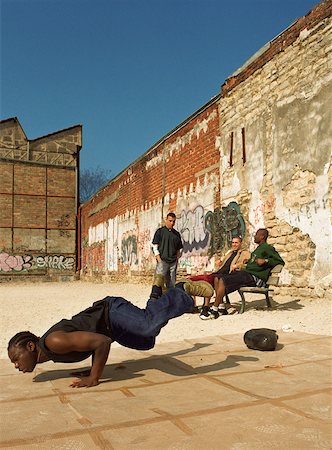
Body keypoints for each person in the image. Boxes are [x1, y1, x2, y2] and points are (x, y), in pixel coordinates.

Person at [7, 278, 209, 388]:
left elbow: (102, 342)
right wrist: (91, 368)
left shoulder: (53, 341)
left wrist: (94, 377)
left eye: (16, 359)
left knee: (147, 325)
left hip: (111, 312)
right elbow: (91, 340)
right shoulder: (49, 352)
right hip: (111, 327)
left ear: (30, 346)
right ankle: (156, 292)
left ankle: (181, 290)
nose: (17, 366)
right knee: (147, 341)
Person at [206, 228, 285, 319]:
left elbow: (280, 261)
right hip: (247, 274)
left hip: (255, 278)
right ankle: (221, 307)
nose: (254, 237)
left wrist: (266, 260)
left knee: (223, 280)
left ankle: (214, 309)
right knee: (217, 278)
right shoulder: (258, 249)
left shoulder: (268, 248)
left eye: (257, 235)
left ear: (262, 237)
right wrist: (249, 261)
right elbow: (255, 261)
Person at [188, 236, 250, 320]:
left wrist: (237, 265)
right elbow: (223, 262)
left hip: (230, 274)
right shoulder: (230, 253)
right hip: (220, 272)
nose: (234, 244)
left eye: (236, 243)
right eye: (233, 242)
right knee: (200, 278)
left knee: (214, 279)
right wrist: (220, 263)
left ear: (240, 243)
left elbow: (245, 263)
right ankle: (220, 306)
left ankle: (211, 307)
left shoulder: (244, 253)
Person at [151, 212, 183, 290]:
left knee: (171, 283)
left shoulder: (176, 234)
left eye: (173, 221)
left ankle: (170, 299)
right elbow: (154, 246)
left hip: (173, 262)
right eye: (170, 221)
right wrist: (159, 259)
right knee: (158, 282)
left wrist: (176, 259)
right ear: (166, 220)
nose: (172, 223)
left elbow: (179, 248)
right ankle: (156, 299)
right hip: (162, 261)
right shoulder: (160, 231)